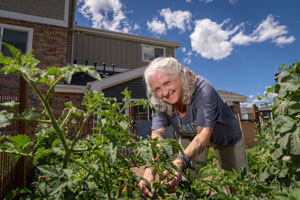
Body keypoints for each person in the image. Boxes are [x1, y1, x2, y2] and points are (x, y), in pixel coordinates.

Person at [137, 57, 249, 198]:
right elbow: (157, 136)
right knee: (185, 183)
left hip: (227, 138)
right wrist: (150, 168)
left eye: (167, 83)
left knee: (240, 186)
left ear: (180, 76)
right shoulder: (160, 102)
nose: (164, 93)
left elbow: (203, 134)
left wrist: (180, 160)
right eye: (157, 89)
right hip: (190, 137)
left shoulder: (202, 89)